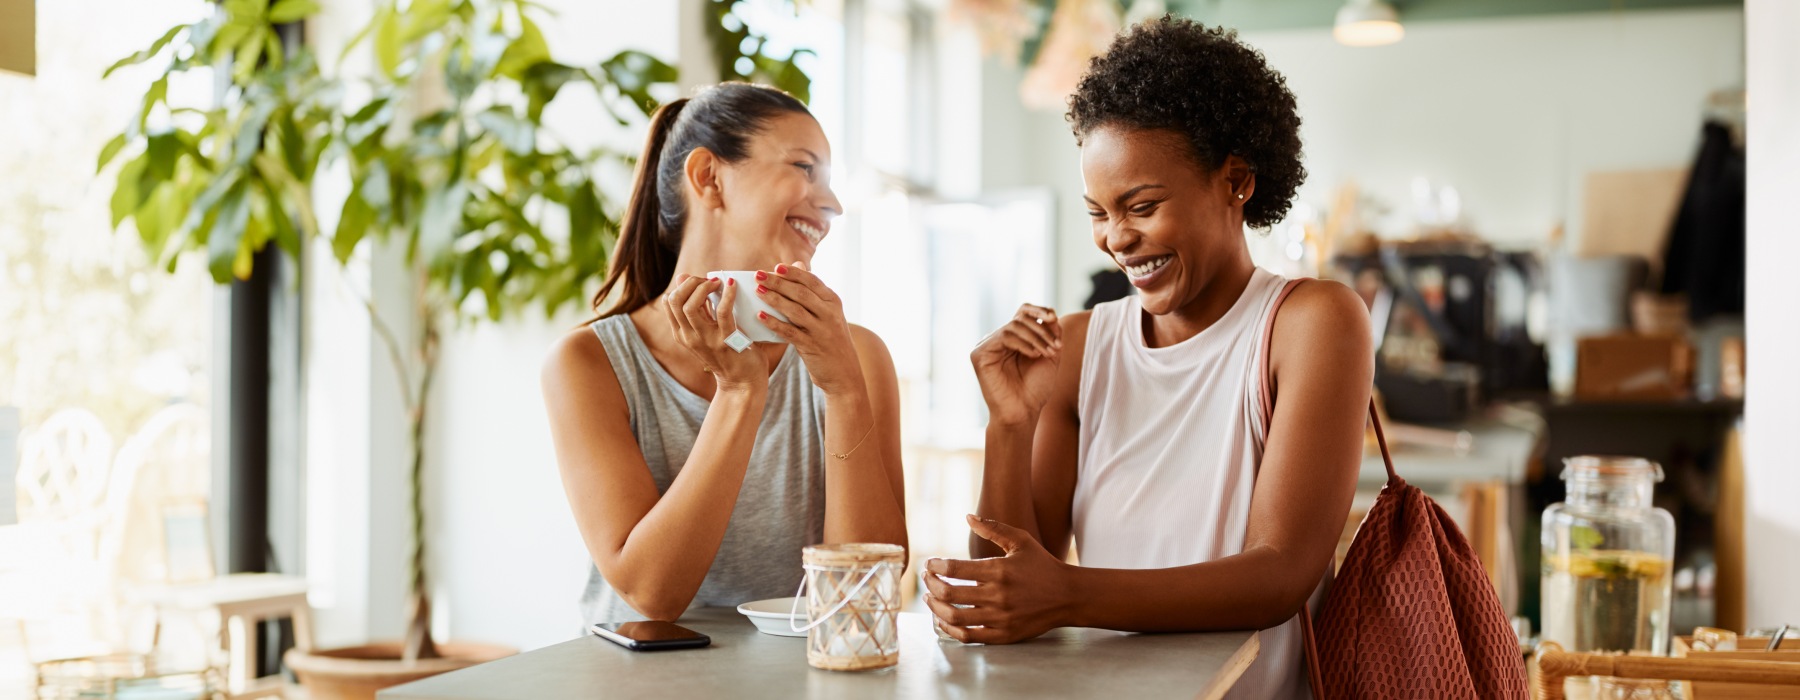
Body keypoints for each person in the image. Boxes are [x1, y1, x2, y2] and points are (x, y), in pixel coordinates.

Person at [922, 17, 1373, 698]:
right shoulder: (1079, 348)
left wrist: (1068, 594)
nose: (1117, 240)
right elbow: (1007, 588)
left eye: (1141, 206)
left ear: (1237, 182)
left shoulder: (1309, 322)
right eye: (1098, 213)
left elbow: (1280, 573)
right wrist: (1009, 425)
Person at [541, 83, 907, 624]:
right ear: (709, 178)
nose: (831, 203)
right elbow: (653, 594)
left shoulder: (857, 357)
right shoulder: (588, 364)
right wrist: (739, 393)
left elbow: (864, 597)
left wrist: (845, 391)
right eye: (805, 168)